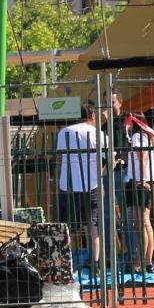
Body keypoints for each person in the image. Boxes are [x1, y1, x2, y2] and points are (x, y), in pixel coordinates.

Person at [55, 102, 103, 272]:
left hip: (67, 186)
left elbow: (60, 160)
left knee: (66, 227)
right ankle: (95, 263)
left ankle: (65, 263)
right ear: (92, 116)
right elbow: (104, 160)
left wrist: (58, 179)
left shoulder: (63, 133)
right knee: (93, 226)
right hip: (91, 185)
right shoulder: (97, 133)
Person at [123, 108, 154, 274]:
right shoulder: (147, 136)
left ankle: (139, 262)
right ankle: (148, 261)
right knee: (146, 221)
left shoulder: (138, 137)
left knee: (140, 222)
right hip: (146, 180)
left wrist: (142, 181)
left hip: (139, 181)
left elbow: (142, 157)